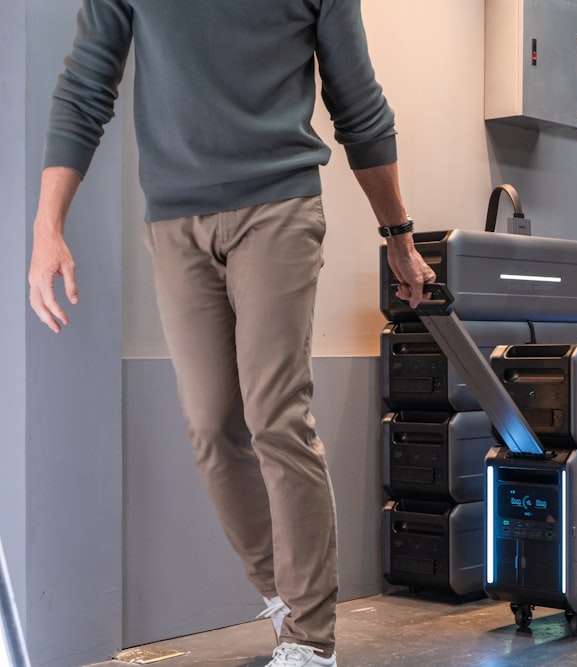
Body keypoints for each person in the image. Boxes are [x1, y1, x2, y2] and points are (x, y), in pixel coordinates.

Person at [26, 1, 436, 666]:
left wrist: (397, 234)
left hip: (278, 204)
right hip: (175, 218)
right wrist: (48, 225)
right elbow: (87, 81)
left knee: (276, 414)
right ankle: (285, 593)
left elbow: (357, 99)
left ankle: (308, 637)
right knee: (213, 424)